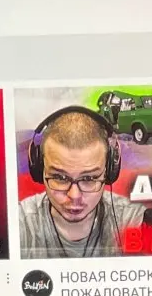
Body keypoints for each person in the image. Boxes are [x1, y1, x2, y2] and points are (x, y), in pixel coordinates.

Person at [18, 107, 142, 258]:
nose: (74, 196)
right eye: (60, 178)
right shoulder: (18, 222)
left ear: (109, 171)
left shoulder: (132, 219)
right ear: (39, 170)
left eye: (89, 179)